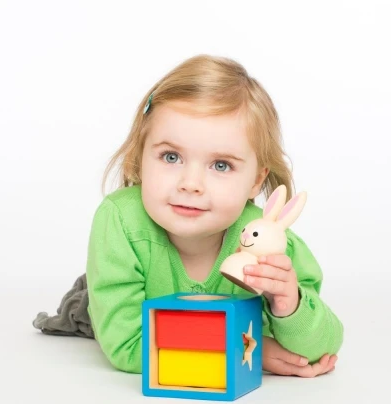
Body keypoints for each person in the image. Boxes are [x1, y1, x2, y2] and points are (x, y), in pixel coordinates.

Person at [34, 54, 343, 378]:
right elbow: (127, 347)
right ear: (141, 157)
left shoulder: (266, 241)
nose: (191, 184)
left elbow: (321, 350)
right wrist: (246, 348)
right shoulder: (121, 222)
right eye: (171, 157)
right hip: (112, 298)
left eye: (221, 165)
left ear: (256, 180)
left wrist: (290, 307)